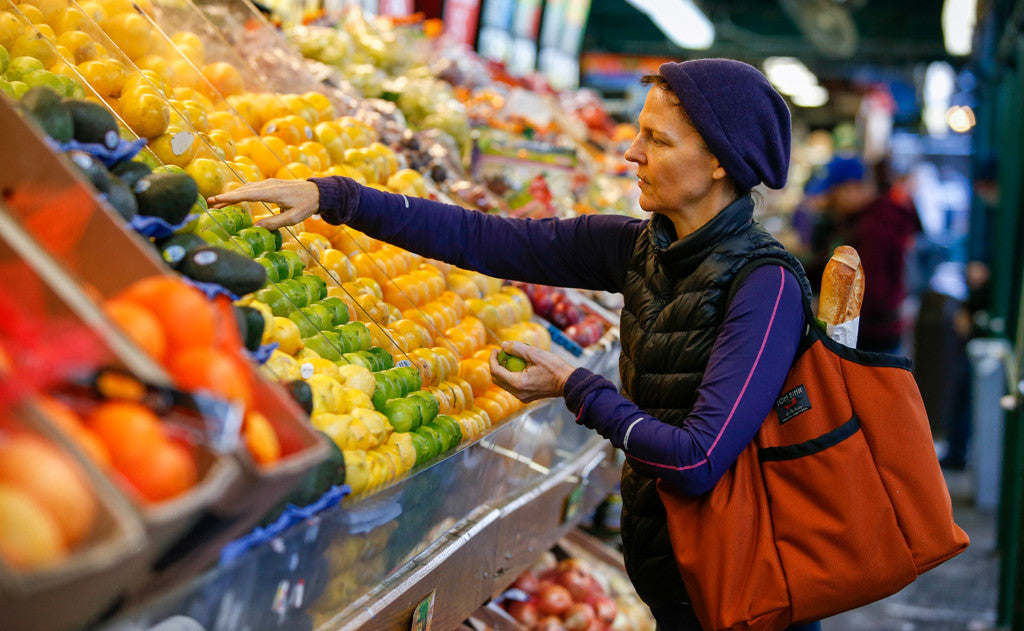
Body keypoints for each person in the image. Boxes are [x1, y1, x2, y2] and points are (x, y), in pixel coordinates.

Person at [210, 58, 819, 631]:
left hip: (744, 596)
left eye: (657, 141)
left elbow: (695, 459)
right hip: (679, 578)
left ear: (720, 163)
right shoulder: (642, 250)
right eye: (639, 134)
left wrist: (572, 385)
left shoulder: (766, 287)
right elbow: (488, 239)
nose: (632, 152)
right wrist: (335, 198)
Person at [809, 154, 921, 354]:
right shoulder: (858, 221)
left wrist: (826, 307)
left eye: (833, 194)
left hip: (872, 341)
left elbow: (872, 292)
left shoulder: (875, 227)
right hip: (871, 334)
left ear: (852, 187)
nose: (829, 202)